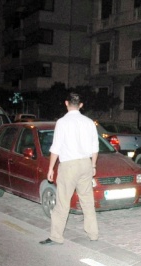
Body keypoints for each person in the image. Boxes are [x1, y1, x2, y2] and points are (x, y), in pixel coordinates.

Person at [40, 92, 99, 245]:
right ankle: (93, 234)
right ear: (81, 105)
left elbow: (56, 147)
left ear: (66, 103)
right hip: (86, 163)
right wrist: (93, 165)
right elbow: (95, 147)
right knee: (87, 201)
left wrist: (51, 168)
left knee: (62, 201)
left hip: (69, 166)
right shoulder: (89, 122)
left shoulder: (62, 122)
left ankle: (56, 236)